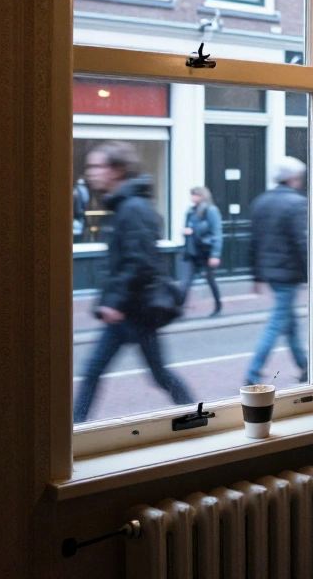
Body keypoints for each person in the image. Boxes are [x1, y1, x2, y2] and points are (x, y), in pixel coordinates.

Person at [73, 141, 194, 422]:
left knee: (103, 371)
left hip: (135, 311)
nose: (91, 172)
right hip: (131, 309)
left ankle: (195, 415)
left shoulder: (133, 209)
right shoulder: (123, 207)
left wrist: (114, 303)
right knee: (152, 372)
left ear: (116, 170)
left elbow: (138, 261)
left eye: (97, 166)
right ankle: (194, 414)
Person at [244, 156, 310, 385]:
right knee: (276, 322)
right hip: (288, 273)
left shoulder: (261, 201)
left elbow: (253, 242)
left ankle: (304, 366)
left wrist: (256, 275)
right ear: (292, 178)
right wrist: (310, 275)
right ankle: (253, 372)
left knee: (289, 322)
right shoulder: (296, 203)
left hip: (271, 273)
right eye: (299, 177)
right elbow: (302, 243)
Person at [181, 186, 224, 316]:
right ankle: (179, 309)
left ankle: (218, 305)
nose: (191, 198)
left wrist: (215, 254)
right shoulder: (190, 211)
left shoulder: (211, 211)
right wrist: (186, 233)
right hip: (192, 251)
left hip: (205, 251)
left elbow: (216, 233)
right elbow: (187, 228)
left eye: (194, 195)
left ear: (201, 196)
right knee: (186, 281)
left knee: (210, 280)